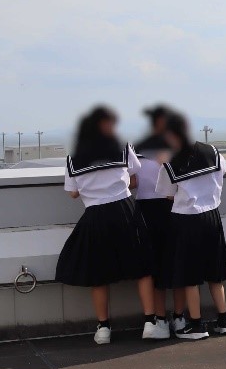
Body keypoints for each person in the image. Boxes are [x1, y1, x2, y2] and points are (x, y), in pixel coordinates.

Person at [55, 106, 159, 345]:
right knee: (142, 266)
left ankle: (103, 328)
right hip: (125, 208)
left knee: (98, 274)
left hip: (95, 214)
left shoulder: (74, 157)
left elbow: (73, 193)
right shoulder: (121, 146)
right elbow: (134, 173)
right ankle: (150, 322)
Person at [156, 112, 226, 340]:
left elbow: (168, 194)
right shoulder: (213, 152)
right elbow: (221, 175)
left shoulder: (170, 162)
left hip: (186, 219)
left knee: (190, 276)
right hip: (212, 216)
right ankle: (224, 321)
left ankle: (197, 326)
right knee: (215, 274)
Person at [134, 105, 185, 337]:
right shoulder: (178, 147)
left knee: (158, 266)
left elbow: (131, 181)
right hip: (171, 207)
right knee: (174, 264)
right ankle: (175, 317)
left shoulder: (137, 148)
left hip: (151, 209)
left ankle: (163, 319)